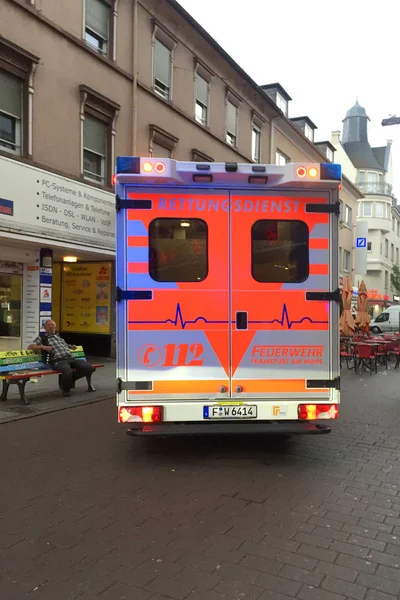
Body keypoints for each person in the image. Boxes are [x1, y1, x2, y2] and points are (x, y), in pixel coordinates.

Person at [28, 320, 94, 397]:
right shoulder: (42, 338)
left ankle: (69, 380)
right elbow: (30, 347)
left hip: (69, 358)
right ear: (45, 328)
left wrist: (70, 346)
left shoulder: (59, 337)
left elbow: (64, 345)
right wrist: (43, 347)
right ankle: (66, 390)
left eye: (53, 325)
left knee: (89, 367)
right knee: (67, 371)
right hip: (57, 360)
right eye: (49, 325)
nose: (51, 327)